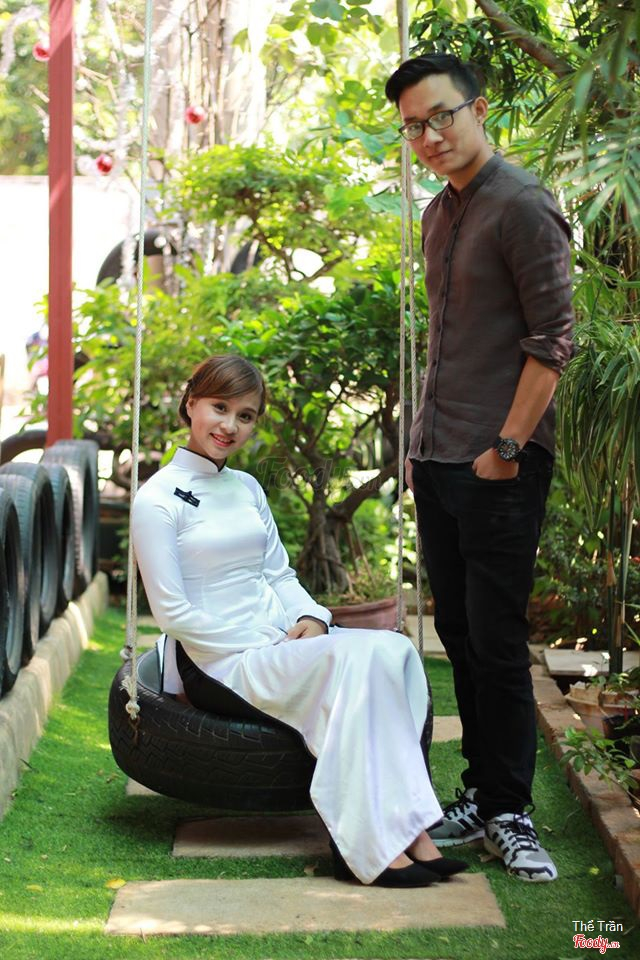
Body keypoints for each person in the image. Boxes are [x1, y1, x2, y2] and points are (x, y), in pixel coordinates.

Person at [131, 353, 469, 888]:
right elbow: (171, 611)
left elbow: (279, 574)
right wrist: (263, 641)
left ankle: (410, 830)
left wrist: (311, 615)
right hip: (218, 661)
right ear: (191, 403)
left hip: (276, 646)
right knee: (352, 662)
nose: (230, 426)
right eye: (220, 407)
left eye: (245, 416)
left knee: (393, 649)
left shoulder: (247, 488)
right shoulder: (156, 498)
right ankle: (364, 848)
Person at [384, 54, 574, 882]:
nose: (429, 136)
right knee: (459, 636)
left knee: (496, 641)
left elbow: (553, 342)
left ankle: (511, 813)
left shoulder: (524, 204)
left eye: (441, 116)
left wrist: (506, 449)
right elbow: (446, 345)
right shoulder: (440, 212)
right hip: (440, 460)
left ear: (479, 109)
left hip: (499, 463)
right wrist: (421, 448)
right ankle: (482, 793)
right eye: (413, 126)